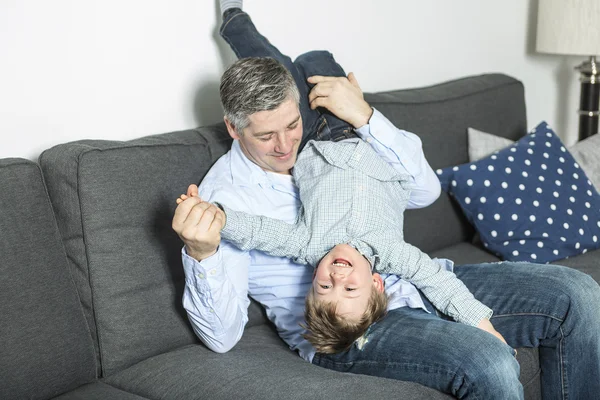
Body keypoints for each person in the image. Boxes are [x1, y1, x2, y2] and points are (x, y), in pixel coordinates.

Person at [171, 2, 600, 398]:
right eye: (266, 136)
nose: (286, 146)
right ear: (233, 128)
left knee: (578, 294)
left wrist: (366, 116)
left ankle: (235, 18)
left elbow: (425, 191)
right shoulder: (223, 196)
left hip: (406, 283)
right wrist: (202, 251)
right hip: (340, 329)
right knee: (487, 360)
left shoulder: (320, 146)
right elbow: (221, 336)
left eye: (292, 124)